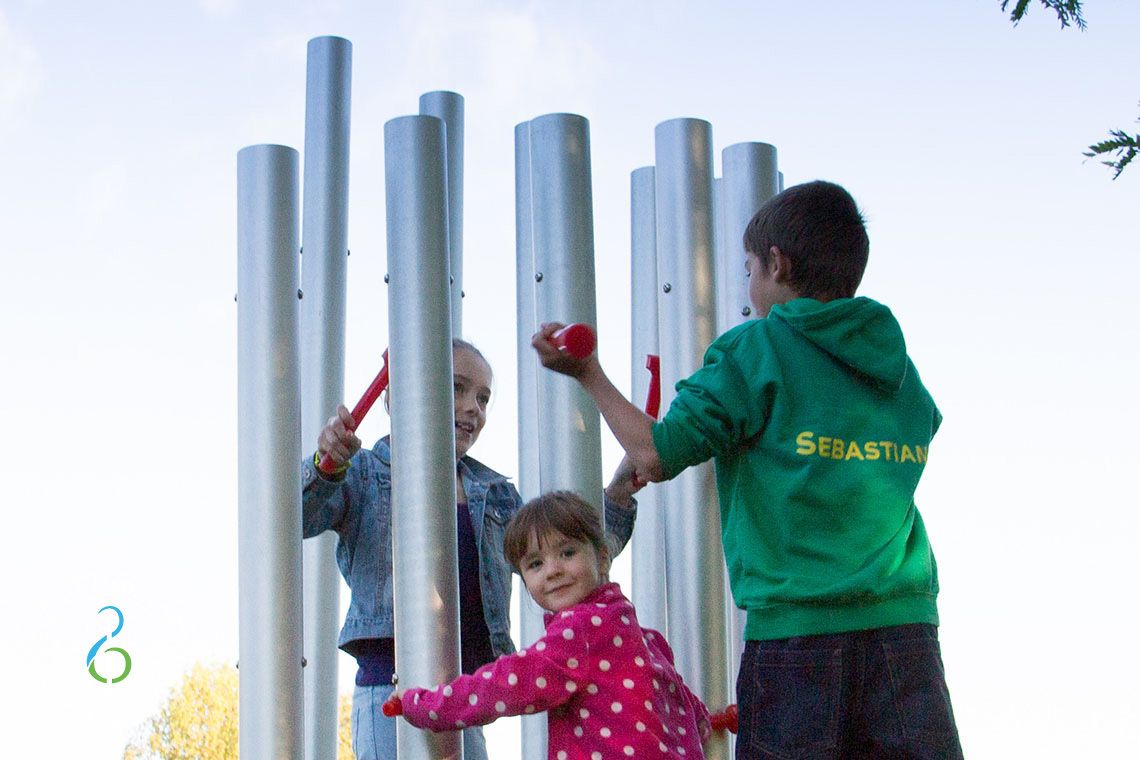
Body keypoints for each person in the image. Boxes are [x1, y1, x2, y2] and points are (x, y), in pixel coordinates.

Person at [532, 181, 964, 759]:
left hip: (797, 634)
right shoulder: (898, 367)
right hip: (906, 632)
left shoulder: (756, 349)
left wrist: (587, 372)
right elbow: (922, 427)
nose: (750, 287)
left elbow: (655, 453)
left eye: (749, 270)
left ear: (777, 265)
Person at [301, 338, 640, 760]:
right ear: (400, 394)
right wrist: (327, 464)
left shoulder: (495, 492)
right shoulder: (367, 472)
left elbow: (575, 556)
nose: (473, 407)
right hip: (390, 690)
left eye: (483, 397)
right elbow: (299, 514)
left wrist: (619, 497)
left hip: (463, 696)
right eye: (458, 389)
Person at [394, 490, 715, 760]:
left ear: (602, 558)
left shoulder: (581, 630)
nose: (553, 570)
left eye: (567, 552)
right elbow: (686, 705)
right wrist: (707, 720)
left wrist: (428, 705)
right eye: (535, 563)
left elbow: (510, 683)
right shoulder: (641, 637)